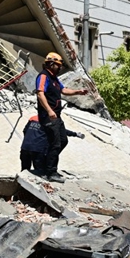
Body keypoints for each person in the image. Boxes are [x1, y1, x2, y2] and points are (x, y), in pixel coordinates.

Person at [34, 52, 88, 184]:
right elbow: (40, 94)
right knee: (56, 143)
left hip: (57, 116)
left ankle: (47, 165)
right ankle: (50, 172)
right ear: (51, 64)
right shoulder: (43, 76)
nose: (60, 68)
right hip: (48, 116)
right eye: (58, 65)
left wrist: (78, 92)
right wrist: (49, 110)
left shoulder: (54, 79)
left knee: (63, 140)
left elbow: (63, 90)